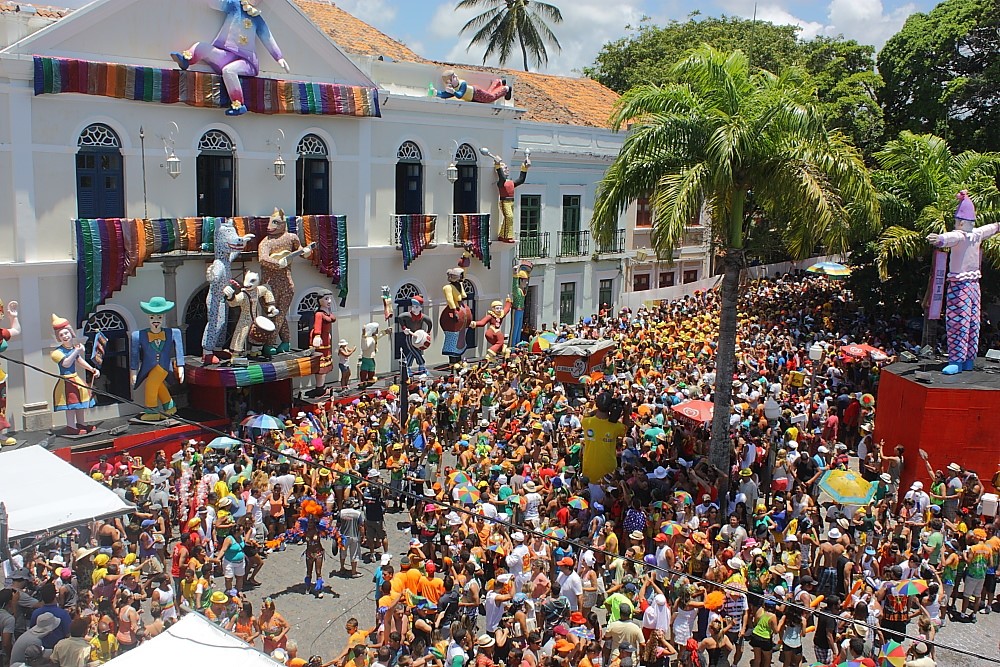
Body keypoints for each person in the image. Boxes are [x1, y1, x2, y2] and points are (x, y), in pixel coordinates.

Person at [170, 0, 290, 116]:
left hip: (246, 62)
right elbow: (214, 3)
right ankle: (186, 60)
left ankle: (239, 105)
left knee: (229, 71)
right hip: (226, 55)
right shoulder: (234, 5)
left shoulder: (257, 19)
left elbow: (268, 38)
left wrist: (279, 57)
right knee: (202, 47)